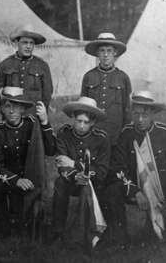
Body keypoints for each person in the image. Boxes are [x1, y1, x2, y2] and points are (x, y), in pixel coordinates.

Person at [106, 91, 166, 244]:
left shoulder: (164, 133)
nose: (139, 119)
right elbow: (117, 168)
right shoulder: (126, 134)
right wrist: (134, 191)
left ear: (153, 114)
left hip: (162, 189)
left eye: (145, 115)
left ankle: (157, 227)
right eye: (136, 114)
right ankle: (121, 238)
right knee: (112, 190)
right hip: (137, 188)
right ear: (132, 113)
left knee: (163, 238)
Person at [0, 87, 55, 233]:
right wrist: (16, 180)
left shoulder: (32, 124)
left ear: (23, 109)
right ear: (2, 110)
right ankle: (3, 222)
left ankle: (27, 221)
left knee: (26, 221)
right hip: (9, 178)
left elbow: (50, 149)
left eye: (16, 106)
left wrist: (44, 121)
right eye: (7, 106)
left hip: (29, 177)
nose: (12, 111)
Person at [52, 96, 110, 244]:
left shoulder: (102, 139)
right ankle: (57, 231)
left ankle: (85, 234)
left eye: (86, 122)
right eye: (79, 121)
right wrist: (75, 175)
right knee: (59, 183)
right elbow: (61, 163)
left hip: (94, 183)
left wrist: (74, 163)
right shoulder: (64, 134)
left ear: (93, 123)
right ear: (73, 118)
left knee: (87, 188)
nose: (82, 126)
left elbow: (101, 171)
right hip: (70, 180)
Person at [81, 32, 132, 146]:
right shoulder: (89, 76)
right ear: (97, 53)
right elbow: (83, 109)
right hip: (93, 133)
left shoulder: (123, 77)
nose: (105, 55)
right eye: (102, 50)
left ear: (115, 53)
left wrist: (125, 133)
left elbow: (127, 109)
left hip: (116, 134)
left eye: (109, 50)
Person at [0, 24, 53, 110]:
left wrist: (42, 115)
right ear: (17, 43)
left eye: (31, 43)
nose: (28, 46)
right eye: (25, 42)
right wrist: (6, 113)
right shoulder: (5, 65)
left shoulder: (42, 65)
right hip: (13, 115)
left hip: (34, 115)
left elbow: (47, 94)